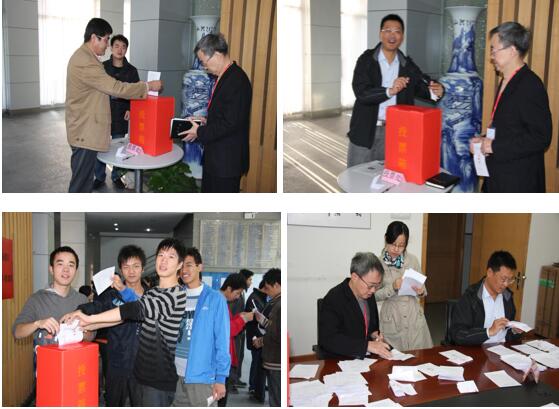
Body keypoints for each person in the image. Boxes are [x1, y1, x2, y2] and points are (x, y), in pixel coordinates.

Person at [62, 238, 187, 406]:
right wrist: (88, 323)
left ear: (180, 264)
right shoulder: (154, 292)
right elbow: (122, 317)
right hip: (139, 374)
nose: (164, 260)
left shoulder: (175, 295)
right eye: (161, 255)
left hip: (158, 381)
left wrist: (90, 319)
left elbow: (132, 310)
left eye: (171, 257)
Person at [66, 18, 162, 193]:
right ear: (94, 38)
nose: (107, 44)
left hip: (86, 128)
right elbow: (116, 88)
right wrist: (147, 87)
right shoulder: (86, 61)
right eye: (106, 40)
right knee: (80, 185)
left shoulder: (87, 58)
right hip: (85, 132)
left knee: (83, 181)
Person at [346, 14, 444, 167]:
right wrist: (389, 91)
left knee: (388, 175)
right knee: (356, 173)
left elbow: (422, 84)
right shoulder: (366, 60)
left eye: (397, 31)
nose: (392, 35)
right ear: (380, 34)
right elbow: (361, 92)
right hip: (365, 129)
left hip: (396, 131)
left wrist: (437, 90)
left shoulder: (407, 65)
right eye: (387, 30)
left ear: (402, 36)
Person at [468, 22, 552, 192]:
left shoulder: (530, 85)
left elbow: (540, 137)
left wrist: (494, 146)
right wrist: (484, 140)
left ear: (512, 50)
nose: (491, 56)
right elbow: (509, 127)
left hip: (517, 180)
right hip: (498, 174)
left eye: (494, 50)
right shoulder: (507, 80)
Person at [180, 33, 252, 193]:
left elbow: (230, 123)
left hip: (226, 162)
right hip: (216, 158)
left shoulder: (237, 80)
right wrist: (205, 120)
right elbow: (225, 114)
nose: (204, 66)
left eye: (204, 62)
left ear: (217, 54)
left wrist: (199, 131)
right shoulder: (223, 76)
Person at [77, 245, 148, 406]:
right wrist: (79, 311)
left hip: (143, 366)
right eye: (126, 267)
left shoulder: (151, 296)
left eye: (136, 266)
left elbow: (141, 309)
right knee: (114, 402)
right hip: (116, 363)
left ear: (143, 268)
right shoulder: (111, 296)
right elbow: (95, 307)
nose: (131, 271)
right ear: (121, 270)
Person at [12, 247, 95, 368]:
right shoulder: (37, 299)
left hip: (76, 366)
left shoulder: (82, 299)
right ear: (51, 269)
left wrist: (83, 332)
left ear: (76, 271)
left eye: (71, 265)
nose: (66, 269)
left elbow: (92, 335)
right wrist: (37, 324)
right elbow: (17, 332)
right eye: (60, 264)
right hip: (48, 369)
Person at [172, 247, 230, 407]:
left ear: (200, 267)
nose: (184, 270)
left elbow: (222, 341)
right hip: (175, 375)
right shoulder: (176, 296)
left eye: (189, 265)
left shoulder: (215, 299)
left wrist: (221, 378)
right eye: (181, 266)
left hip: (202, 379)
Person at [318, 252, 392, 360]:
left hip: (364, 359)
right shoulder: (334, 298)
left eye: (377, 286)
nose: (373, 290)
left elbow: (371, 326)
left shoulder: (368, 295)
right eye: (370, 285)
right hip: (339, 360)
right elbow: (328, 339)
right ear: (355, 277)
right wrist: (366, 346)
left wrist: (374, 335)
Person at [375, 221, 433, 351]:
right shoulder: (378, 263)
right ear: (386, 239)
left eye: (401, 245)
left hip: (413, 315)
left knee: (418, 356)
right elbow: (373, 296)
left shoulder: (413, 260)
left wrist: (420, 291)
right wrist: (392, 287)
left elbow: (423, 290)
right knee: (394, 358)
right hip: (392, 317)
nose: (396, 249)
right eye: (393, 244)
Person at [93, 34, 140, 190]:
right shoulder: (102, 67)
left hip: (121, 112)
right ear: (111, 48)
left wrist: (130, 108)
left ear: (126, 49)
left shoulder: (132, 71)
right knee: (100, 145)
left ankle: (116, 176)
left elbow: (136, 92)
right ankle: (99, 176)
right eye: (117, 46)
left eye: (123, 47)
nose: (120, 50)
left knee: (118, 146)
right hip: (103, 111)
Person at [450, 250, 523, 346]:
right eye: (503, 279)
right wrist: (488, 332)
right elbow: (458, 334)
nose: (506, 284)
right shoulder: (470, 297)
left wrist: (514, 331)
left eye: (510, 280)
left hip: (502, 349)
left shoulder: (507, 297)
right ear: (489, 273)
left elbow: (506, 333)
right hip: (477, 350)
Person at [218, 274, 254, 406]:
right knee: (220, 396)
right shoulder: (218, 302)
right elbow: (225, 331)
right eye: (237, 293)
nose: (238, 297)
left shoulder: (222, 301)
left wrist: (239, 316)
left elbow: (226, 322)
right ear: (228, 288)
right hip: (220, 357)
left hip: (225, 354)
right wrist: (243, 319)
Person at [252, 268, 281, 407]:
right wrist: (263, 320)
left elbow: (277, 334)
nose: (267, 292)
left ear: (277, 285)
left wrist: (261, 341)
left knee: (276, 399)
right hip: (273, 358)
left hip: (276, 360)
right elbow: (274, 327)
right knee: (275, 396)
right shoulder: (275, 302)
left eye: (268, 288)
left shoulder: (279, 305)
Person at [230, 269, 254, 391]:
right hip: (235, 330)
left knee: (240, 355)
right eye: (249, 279)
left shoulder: (242, 294)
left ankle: (236, 378)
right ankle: (231, 382)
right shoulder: (235, 296)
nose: (250, 282)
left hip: (240, 329)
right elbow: (233, 314)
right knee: (234, 355)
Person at [244, 280, 268, 402]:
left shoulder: (261, 298)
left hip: (260, 337)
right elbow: (256, 320)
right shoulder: (254, 299)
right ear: (266, 287)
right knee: (257, 363)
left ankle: (258, 386)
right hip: (256, 337)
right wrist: (257, 338)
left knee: (259, 363)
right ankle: (254, 387)